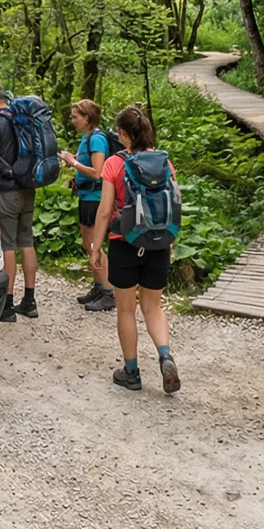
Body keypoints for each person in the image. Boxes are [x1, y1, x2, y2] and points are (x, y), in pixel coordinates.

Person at [95, 106, 180, 394]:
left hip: (125, 242)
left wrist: (96, 247)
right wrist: (172, 239)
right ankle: (165, 355)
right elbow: (175, 203)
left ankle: (132, 372)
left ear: (121, 134)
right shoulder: (164, 163)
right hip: (158, 244)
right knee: (153, 307)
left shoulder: (114, 164)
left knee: (127, 309)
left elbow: (105, 211)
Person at [0, 78, 37, 322]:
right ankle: (30, 301)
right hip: (27, 188)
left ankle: (7, 305)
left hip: (6, 192)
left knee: (7, 245)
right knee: (27, 241)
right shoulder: (20, 118)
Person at [58, 99, 114, 311]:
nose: (72, 121)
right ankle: (99, 286)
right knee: (87, 243)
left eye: (75, 117)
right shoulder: (87, 138)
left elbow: (98, 172)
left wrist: (73, 162)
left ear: (87, 117)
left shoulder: (97, 140)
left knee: (94, 245)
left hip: (94, 198)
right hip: (86, 195)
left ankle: (109, 291)